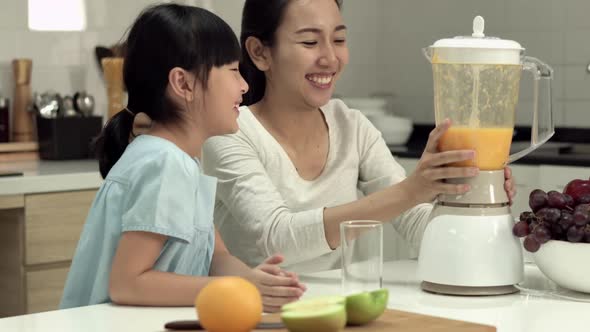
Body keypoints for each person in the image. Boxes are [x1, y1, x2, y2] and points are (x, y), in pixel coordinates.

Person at [201, 0, 517, 272]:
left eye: (338, 40)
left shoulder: (351, 126)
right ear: (259, 53)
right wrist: (411, 191)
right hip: (254, 314)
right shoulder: (230, 132)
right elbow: (277, 238)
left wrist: (462, 193)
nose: (330, 58)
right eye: (310, 43)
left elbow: (419, 228)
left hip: (338, 311)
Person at [60, 3, 304, 313]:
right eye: (233, 71)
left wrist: (256, 281)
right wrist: (237, 288)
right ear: (183, 83)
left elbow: (217, 257)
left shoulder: (182, 161)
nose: (244, 85)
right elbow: (129, 283)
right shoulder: (164, 163)